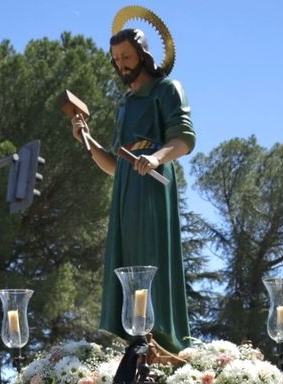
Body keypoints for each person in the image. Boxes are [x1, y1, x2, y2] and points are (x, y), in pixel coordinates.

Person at [70, 26, 195, 353]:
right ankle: (132, 336)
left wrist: (155, 157)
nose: (121, 64)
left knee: (149, 254)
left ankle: (160, 336)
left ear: (143, 54)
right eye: (116, 59)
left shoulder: (167, 89)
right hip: (127, 185)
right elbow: (115, 165)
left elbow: (183, 138)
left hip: (150, 185)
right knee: (124, 260)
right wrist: (87, 140)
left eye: (126, 56)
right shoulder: (125, 102)